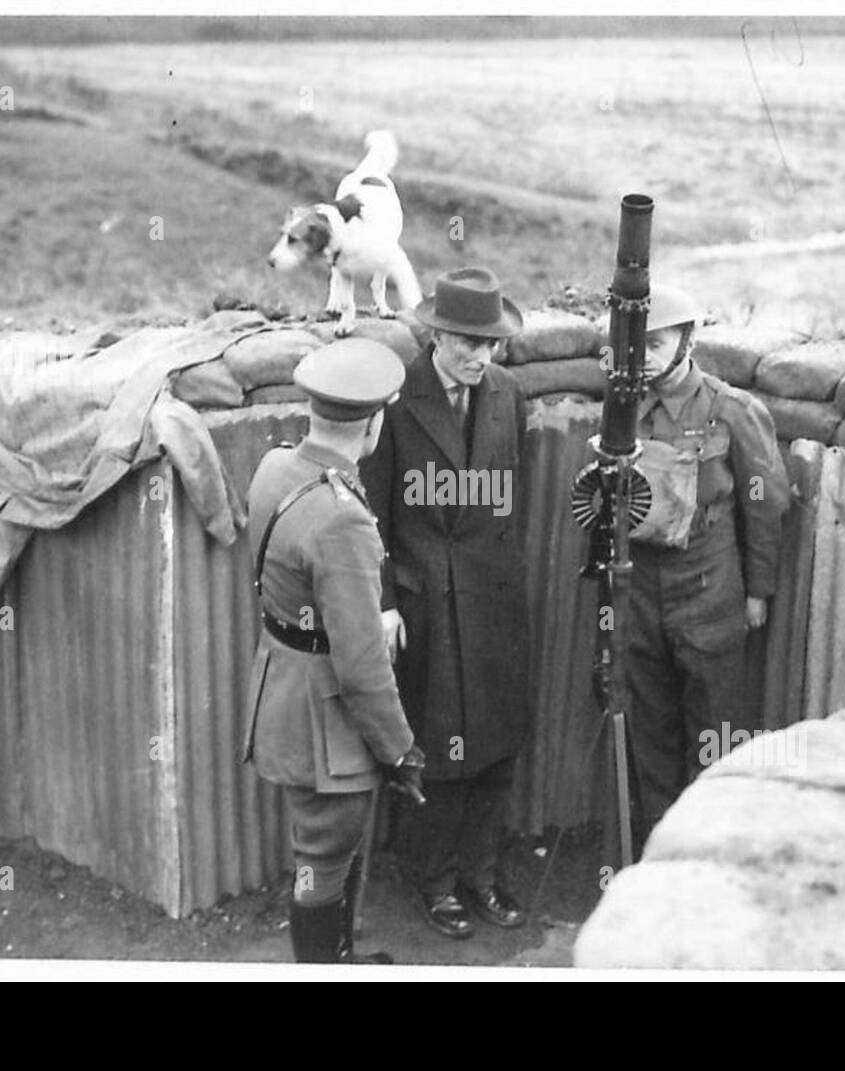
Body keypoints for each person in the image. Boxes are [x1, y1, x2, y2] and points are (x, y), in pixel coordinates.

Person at [240, 337, 425, 965]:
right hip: (324, 713)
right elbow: (363, 666)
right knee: (324, 853)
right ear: (373, 424)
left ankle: (336, 960)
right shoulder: (341, 516)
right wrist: (400, 751)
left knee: (325, 852)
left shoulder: (277, 468)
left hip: (283, 683)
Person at [361, 267, 531, 940]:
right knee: (434, 743)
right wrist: (384, 601)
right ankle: (433, 879)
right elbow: (370, 509)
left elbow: (510, 498)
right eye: (465, 341)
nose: (478, 356)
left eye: (488, 343)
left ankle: (481, 874)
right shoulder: (398, 402)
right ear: (436, 333)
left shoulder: (507, 395)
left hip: (492, 602)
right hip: (424, 600)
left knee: (494, 744)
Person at [624, 285, 791, 842]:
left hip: (708, 591)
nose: (642, 354)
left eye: (654, 343)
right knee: (650, 730)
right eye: (634, 344)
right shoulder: (623, 408)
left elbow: (764, 506)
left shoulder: (732, 410)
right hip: (640, 591)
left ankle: (710, 851)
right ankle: (657, 853)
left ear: (685, 341)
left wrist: (757, 593)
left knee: (715, 733)